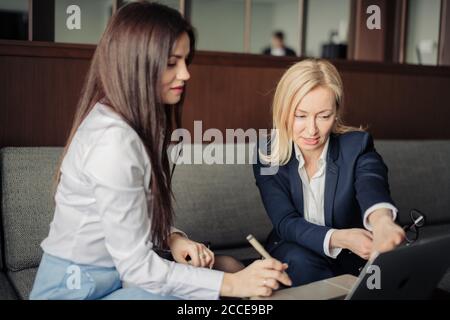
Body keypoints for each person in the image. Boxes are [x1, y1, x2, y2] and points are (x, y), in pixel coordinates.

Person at [29, 2, 291, 300]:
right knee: (222, 284)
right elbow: (138, 268)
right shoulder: (113, 142)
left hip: (115, 279)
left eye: (184, 61)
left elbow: (132, 219)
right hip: (76, 290)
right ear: (137, 64)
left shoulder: (134, 123)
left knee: (227, 265)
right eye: (171, 62)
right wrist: (234, 285)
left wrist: (173, 237)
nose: (185, 74)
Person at [253, 59, 406, 286]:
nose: (312, 129)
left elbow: (371, 182)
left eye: (324, 116)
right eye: (301, 116)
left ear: (336, 113)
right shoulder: (267, 154)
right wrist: (341, 238)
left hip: (352, 257)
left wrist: (382, 222)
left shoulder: (357, 146)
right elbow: (286, 222)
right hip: (295, 248)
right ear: (283, 112)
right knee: (301, 263)